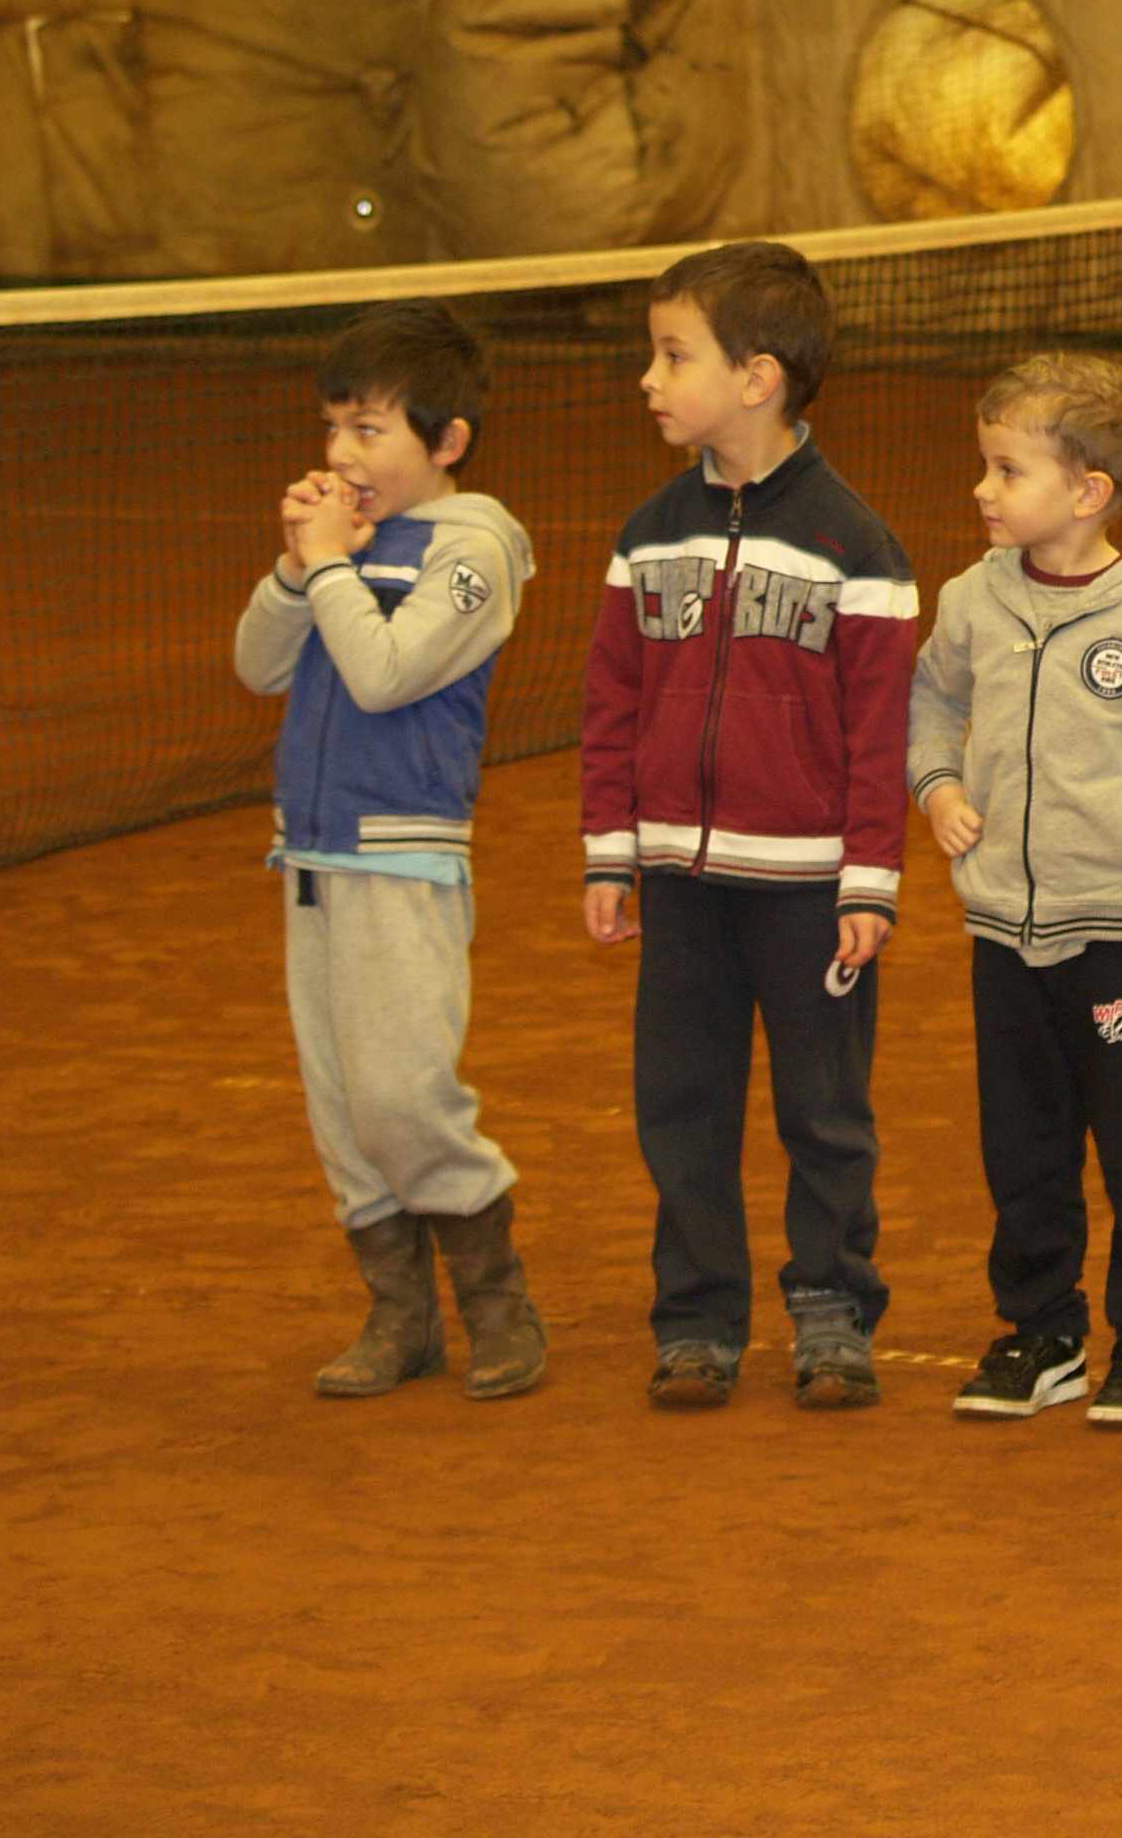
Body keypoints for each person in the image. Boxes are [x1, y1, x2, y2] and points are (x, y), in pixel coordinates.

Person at [579, 240, 918, 1411]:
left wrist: (869, 881)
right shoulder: (647, 537)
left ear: (758, 378)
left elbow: (880, 735)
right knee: (683, 1106)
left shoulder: (855, 547)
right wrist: (612, 855)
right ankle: (697, 1318)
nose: (650, 378)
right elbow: (611, 704)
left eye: (675, 356)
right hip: (680, 881)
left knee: (825, 1109)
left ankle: (832, 1308)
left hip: (810, 888)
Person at [911, 354, 1122, 1430]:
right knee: (1022, 1142)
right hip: (1002, 932)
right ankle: (1041, 1331)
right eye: (985, 465)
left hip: (1119, 935)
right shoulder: (972, 599)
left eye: (1007, 470)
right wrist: (939, 786)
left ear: (1089, 491)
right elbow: (931, 698)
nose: (982, 488)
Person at [233, 301, 544, 1400]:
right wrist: (297, 569)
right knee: (341, 1112)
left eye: (369, 430)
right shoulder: (346, 549)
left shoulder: (473, 550)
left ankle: (499, 1305)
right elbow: (258, 665)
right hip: (311, 861)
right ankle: (401, 1320)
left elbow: (383, 674)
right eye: (333, 428)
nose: (341, 454)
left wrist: (330, 568)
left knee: (403, 1096)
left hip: (403, 861)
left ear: (447, 440)